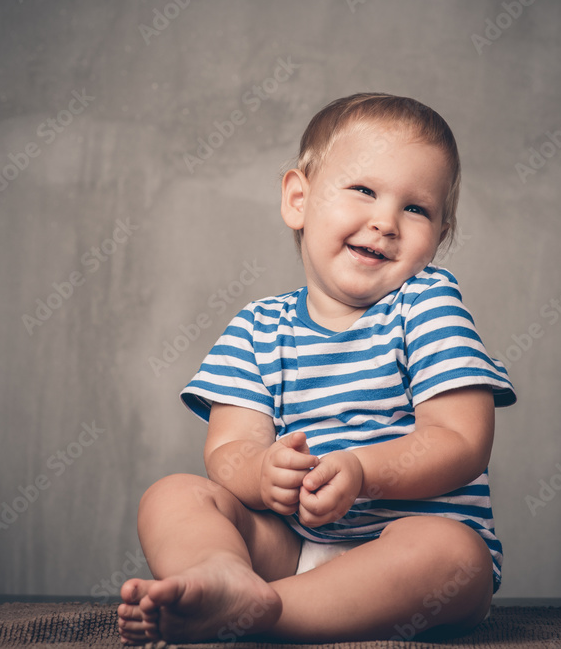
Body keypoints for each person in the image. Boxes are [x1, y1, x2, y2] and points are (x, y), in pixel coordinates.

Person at [117, 92, 516, 644]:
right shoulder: (258, 327)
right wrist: (261, 473)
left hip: (404, 555)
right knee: (173, 495)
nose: (385, 221)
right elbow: (227, 450)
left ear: (440, 237)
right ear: (298, 199)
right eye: (364, 191)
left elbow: (460, 440)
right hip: (293, 547)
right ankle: (222, 573)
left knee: (453, 557)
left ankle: (261, 613)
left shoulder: (428, 307)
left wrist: (362, 470)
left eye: (416, 208)